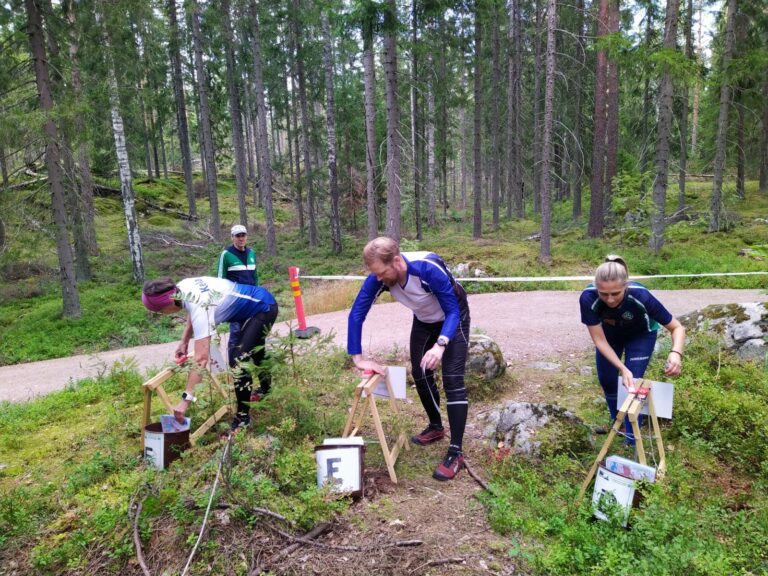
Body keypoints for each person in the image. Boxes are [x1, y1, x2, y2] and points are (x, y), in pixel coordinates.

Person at [347, 237, 471, 481]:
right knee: (420, 373)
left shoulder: (427, 269)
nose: (378, 279)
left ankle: (456, 452)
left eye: (381, 273)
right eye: (375, 274)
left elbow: (453, 310)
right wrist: (358, 359)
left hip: (454, 318)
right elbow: (357, 313)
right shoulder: (380, 277)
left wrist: (440, 345)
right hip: (424, 320)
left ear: (396, 261)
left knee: (453, 380)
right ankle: (436, 426)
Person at [142, 276, 278, 431]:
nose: (162, 314)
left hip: (262, 308)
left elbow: (201, 359)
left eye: (160, 311)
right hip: (249, 309)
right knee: (254, 352)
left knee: (238, 361)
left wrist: (185, 401)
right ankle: (266, 391)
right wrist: (184, 341)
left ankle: (243, 419)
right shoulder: (181, 288)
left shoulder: (200, 306)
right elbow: (192, 312)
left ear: (170, 302)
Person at [579, 255, 685, 444]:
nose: (610, 300)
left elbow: (677, 328)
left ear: (626, 286)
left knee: (632, 384)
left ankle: (632, 438)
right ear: (596, 287)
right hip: (609, 337)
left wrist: (676, 353)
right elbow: (599, 341)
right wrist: (622, 367)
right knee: (607, 379)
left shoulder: (641, 295)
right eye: (604, 294)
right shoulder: (588, 298)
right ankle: (618, 423)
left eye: (616, 293)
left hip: (641, 336)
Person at [217, 224, 261, 398]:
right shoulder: (226, 254)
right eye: (237, 236)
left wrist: (258, 295)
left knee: (255, 336)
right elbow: (221, 280)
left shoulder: (251, 253)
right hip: (236, 304)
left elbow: (255, 277)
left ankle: (258, 378)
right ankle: (236, 368)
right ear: (232, 237)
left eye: (243, 235)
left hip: (252, 303)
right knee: (236, 336)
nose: (241, 238)